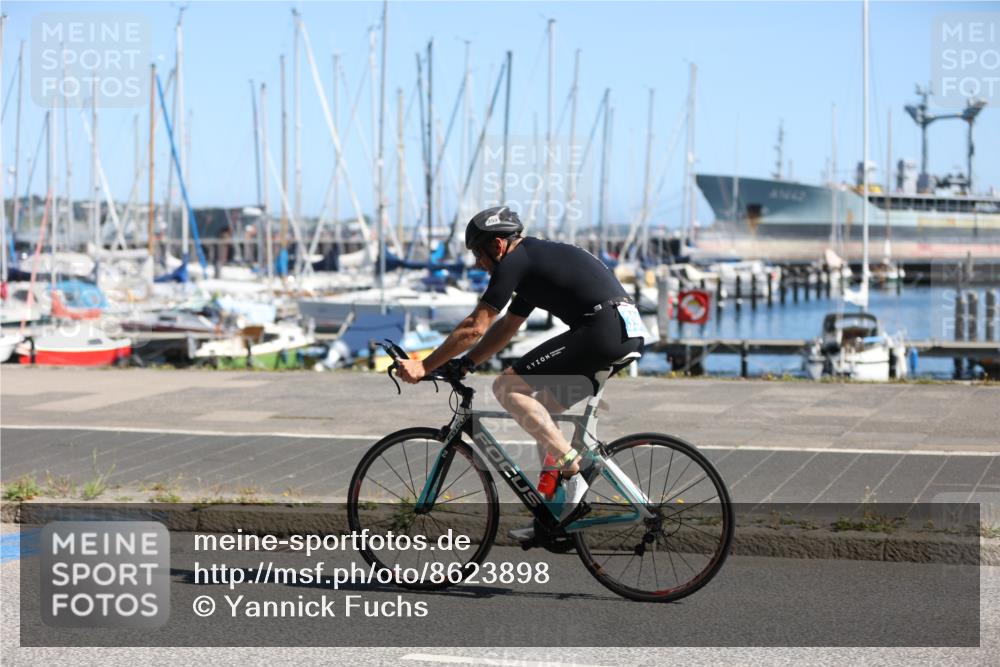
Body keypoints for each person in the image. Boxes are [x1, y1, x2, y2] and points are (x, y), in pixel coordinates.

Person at [397, 206, 645, 540]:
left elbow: (476, 326)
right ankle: (555, 516)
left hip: (601, 330)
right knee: (544, 409)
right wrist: (466, 363)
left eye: (478, 254)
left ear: (497, 245)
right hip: (624, 330)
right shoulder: (533, 262)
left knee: (508, 387)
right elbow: (507, 326)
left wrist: (424, 365)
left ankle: (573, 468)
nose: (477, 264)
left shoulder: (515, 263)